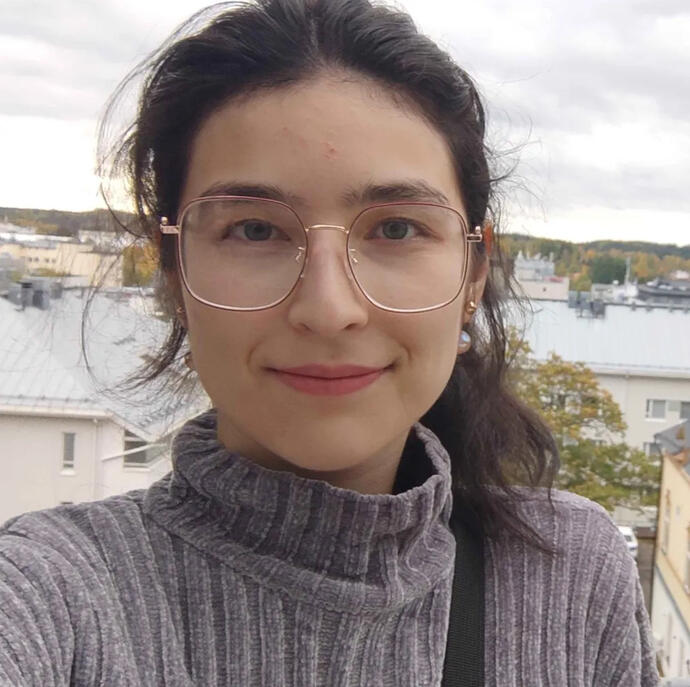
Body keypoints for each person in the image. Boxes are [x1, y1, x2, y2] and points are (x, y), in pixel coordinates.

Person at [0, 0, 659, 685]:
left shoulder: (570, 576)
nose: (328, 309)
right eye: (255, 229)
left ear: (472, 272)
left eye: (396, 229)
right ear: (174, 273)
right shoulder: (54, 596)